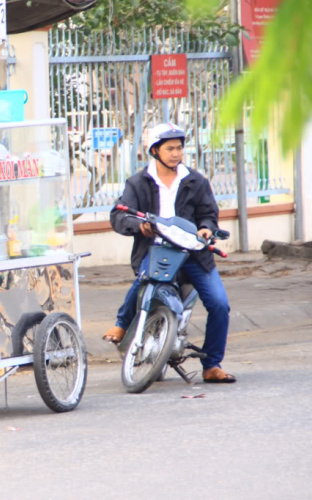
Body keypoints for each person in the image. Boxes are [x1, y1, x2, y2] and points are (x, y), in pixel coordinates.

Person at [103, 123, 236, 383]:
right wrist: (139, 226)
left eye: (179, 148)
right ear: (154, 151)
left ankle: (212, 365)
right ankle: (122, 323)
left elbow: (209, 214)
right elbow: (119, 215)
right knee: (142, 283)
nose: (176, 153)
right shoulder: (138, 182)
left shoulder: (195, 181)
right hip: (155, 252)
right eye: (169, 148)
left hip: (194, 255)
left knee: (220, 304)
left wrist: (207, 229)